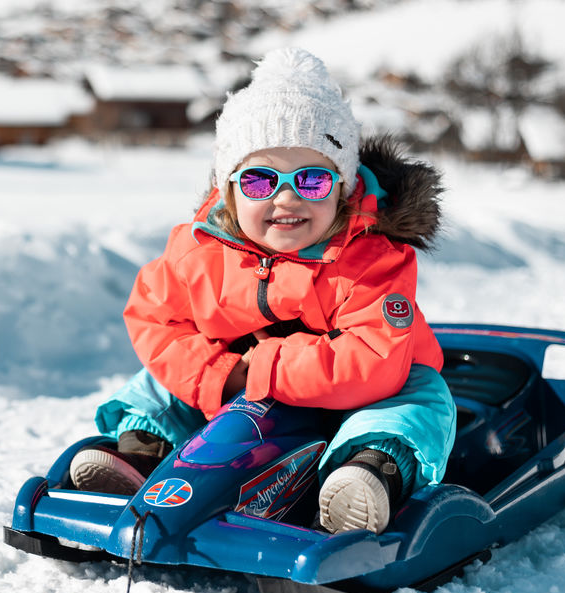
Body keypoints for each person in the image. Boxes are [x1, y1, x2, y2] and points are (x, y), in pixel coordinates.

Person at [68, 47, 456, 535]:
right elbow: (156, 320)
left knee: (423, 397)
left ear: (344, 188)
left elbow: (373, 360)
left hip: (354, 399)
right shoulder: (199, 250)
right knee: (155, 382)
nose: (287, 198)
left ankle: (369, 471)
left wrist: (261, 368)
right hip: (237, 387)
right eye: (259, 180)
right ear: (229, 189)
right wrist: (225, 373)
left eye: (313, 179)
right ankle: (142, 457)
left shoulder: (370, 259)